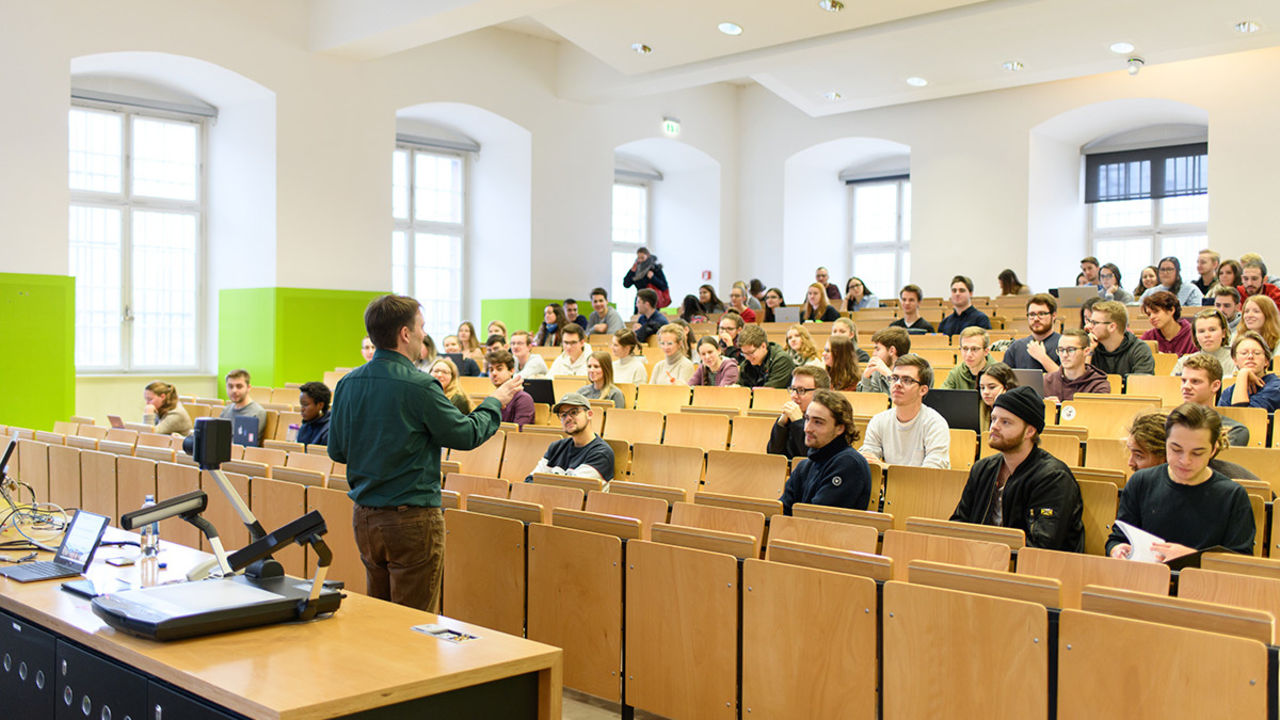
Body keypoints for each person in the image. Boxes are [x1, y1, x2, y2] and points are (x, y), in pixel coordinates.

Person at [328, 294, 521, 611]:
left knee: (380, 615)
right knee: (413, 623)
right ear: (405, 333)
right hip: (411, 519)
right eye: (421, 327)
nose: (424, 335)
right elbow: (466, 433)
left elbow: (337, 450)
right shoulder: (420, 385)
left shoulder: (348, 383)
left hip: (365, 517)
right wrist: (495, 401)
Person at [1107, 405, 1255, 560]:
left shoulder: (1232, 496)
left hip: (1202, 582)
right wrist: (1117, 549)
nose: (1185, 461)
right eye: (1176, 450)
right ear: (1165, 445)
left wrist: (1193, 557)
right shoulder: (1141, 482)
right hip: (1145, 579)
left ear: (1213, 450)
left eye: (1197, 453)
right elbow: (1117, 538)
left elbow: (1240, 561)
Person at [950, 385, 1085, 551]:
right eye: (993, 419)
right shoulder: (983, 469)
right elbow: (958, 524)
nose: (994, 427)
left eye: (1005, 422)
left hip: (1033, 570)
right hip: (980, 559)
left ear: (1029, 431)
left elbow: (1042, 546)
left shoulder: (1053, 478)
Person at [779, 389, 871, 514]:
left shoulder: (848, 464)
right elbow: (781, 511)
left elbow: (817, 518)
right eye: (806, 419)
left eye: (818, 422)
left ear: (839, 428)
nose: (807, 428)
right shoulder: (804, 466)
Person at [859, 354, 951, 468]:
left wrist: (884, 466)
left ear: (922, 390)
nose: (897, 384)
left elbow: (930, 474)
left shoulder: (935, 424)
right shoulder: (878, 420)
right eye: (894, 378)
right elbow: (868, 460)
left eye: (907, 380)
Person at [1124, 410, 1258, 484]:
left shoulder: (1228, 486)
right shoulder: (1141, 485)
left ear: (1166, 455)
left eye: (1139, 456)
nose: (1130, 463)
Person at [527, 393, 615, 484]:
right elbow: (530, 480)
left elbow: (571, 489)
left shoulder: (601, 453)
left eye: (574, 412)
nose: (568, 418)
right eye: (563, 415)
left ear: (589, 414)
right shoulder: (556, 447)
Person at [1179, 353, 1248, 446]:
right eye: (1184, 381)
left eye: (1195, 381)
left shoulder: (1234, 431)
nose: (1186, 386)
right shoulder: (1168, 425)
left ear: (1215, 386)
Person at [768, 366, 832, 459]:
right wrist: (781, 424)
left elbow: (812, 457)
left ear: (820, 393)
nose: (794, 396)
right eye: (793, 389)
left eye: (801, 390)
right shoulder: (790, 417)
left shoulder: (828, 421)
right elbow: (774, 456)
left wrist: (798, 423)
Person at [1088, 300, 1155, 376]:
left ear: (1112, 327)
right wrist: (1088, 353)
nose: (1089, 326)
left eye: (1094, 323)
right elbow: (1079, 383)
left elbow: (1140, 384)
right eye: (1090, 322)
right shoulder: (1091, 347)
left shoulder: (1139, 349)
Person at [1043, 329, 1110, 403]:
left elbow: (1095, 413)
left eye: (1071, 350)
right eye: (1061, 350)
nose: (1065, 355)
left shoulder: (1098, 385)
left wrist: (1060, 408)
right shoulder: (1046, 381)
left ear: (1086, 351)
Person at [1219, 331, 1280, 410]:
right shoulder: (1229, 391)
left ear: (1266, 361)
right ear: (1235, 360)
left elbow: (1245, 416)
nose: (1250, 356)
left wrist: (1243, 373)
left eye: (1257, 353)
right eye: (1244, 353)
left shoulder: (1276, 387)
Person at [1001, 294, 1062, 372]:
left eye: (1041, 314)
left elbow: (1066, 381)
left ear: (1053, 315)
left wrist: (1043, 358)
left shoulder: (1064, 344)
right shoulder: (1016, 347)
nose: (1036, 319)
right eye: (1032, 314)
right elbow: (1003, 378)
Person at [1171, 310, 1236, 377]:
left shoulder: (1236, 360)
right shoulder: (1184, 363)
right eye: (1201, 331)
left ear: (1223, 333)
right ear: (1195, 335)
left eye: (1212, 330)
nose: (1207, 335)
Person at [737, 324, 796, 389]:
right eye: (744, 353)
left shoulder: (782, 360)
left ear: (763, 346)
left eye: (750, 353)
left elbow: (767, 392)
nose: (747, 357)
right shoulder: (746, 364)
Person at [1139, 291, 1197, 356]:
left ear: (1171, 310)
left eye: (1156, 312)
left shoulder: (1193, 333)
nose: (1151, 317)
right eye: (1149, 314)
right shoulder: (1148, 336)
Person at [857, 326, 911, 395]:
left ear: (892, 350)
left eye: (878, 349)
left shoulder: (913, 371)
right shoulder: (877, 372)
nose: (874, 354)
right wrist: (866, 378)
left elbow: (903, 399)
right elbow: (870, 401)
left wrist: (888, 374)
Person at [220, 369, 267, 446]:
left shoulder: (257, 412)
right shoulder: (225, 411)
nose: (234, 390)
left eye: (239, 386)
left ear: (248, 388)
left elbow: (248, 445)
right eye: (230, 386)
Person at [488, 349, 534, 426]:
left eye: (499, 369)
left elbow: (517, 432)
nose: (494, 373)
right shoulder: (490, 399)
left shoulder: (523, 399)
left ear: (511, 371)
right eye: (491, 370)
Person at [977, 363, 1020, 429]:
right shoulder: (980, 406)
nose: (985, 392)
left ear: (1006, 387)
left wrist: (1000, 405)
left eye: (992, 387)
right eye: (982, 387)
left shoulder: (1018, 410)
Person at [296, 381, 331, 445]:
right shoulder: (305, 426)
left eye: (305, 404)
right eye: (301, 405)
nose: (302, 409)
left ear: (320, 405)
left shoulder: (329, 431)